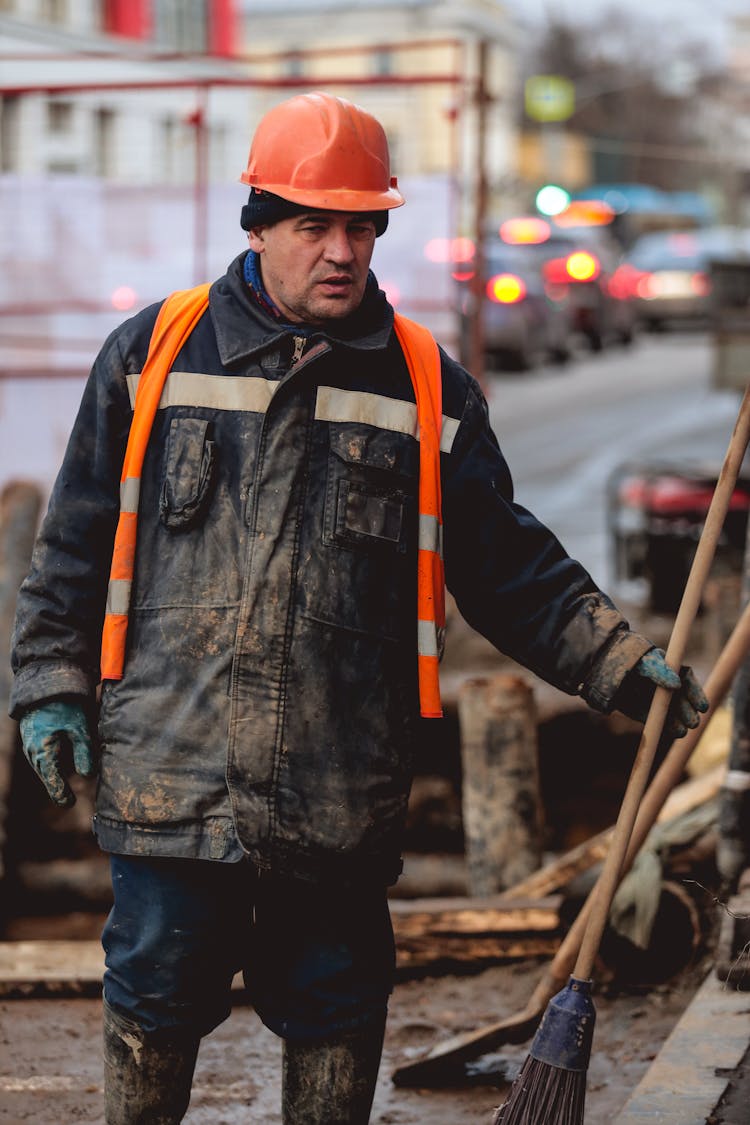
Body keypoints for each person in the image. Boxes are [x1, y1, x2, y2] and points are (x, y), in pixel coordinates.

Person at [10, 91, 708, 1125]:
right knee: (153, 996)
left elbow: (508, 564)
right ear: (259, 224)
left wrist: (614, 660)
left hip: (336, 783)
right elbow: (70, 541)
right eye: (313, 225)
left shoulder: (428, 388)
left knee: (335, 1005)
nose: (340, 250)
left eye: (360, 226)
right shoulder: (152, 357)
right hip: (172, 774)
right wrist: (48, 690)